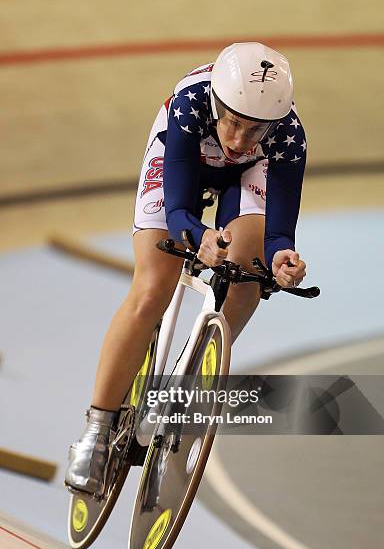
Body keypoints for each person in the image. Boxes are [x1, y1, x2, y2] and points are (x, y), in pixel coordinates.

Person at [65, 42, 307, 495]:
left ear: (275, 123)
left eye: (255, 130)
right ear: (217, 103)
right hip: (182, 162)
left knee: (247, 274)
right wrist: (200, 238)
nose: (238, 140)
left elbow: (278, 232)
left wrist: (280, 257)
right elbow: (176, 211)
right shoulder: (190, 102)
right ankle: (96, 431)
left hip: (246, 178)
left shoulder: (289, 136)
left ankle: (189, 379)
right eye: (234, 122)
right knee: (153, 287)